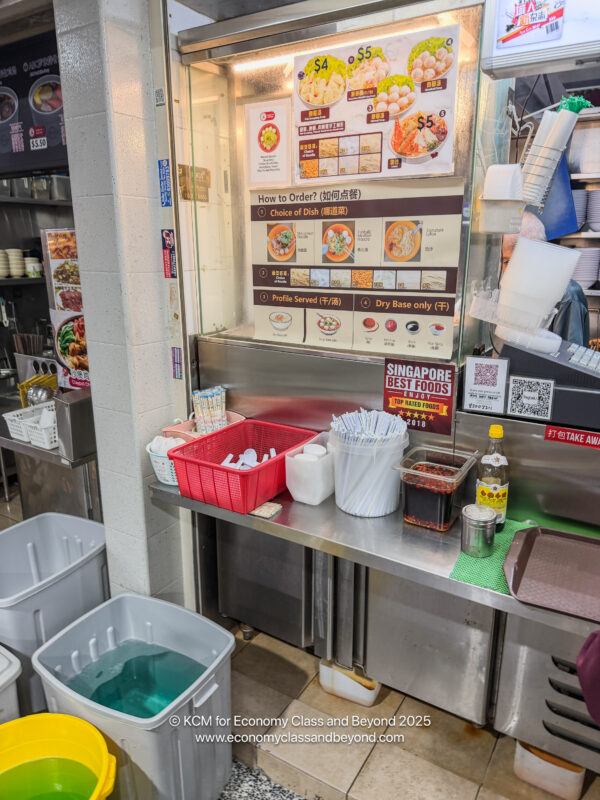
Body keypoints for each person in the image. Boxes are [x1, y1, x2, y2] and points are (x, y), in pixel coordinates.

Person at [501, 211, 590, 346]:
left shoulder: (566, 296)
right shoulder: (520, 289)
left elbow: (567, 360)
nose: (506, 271)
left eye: (512, 262)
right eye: (505, 261)